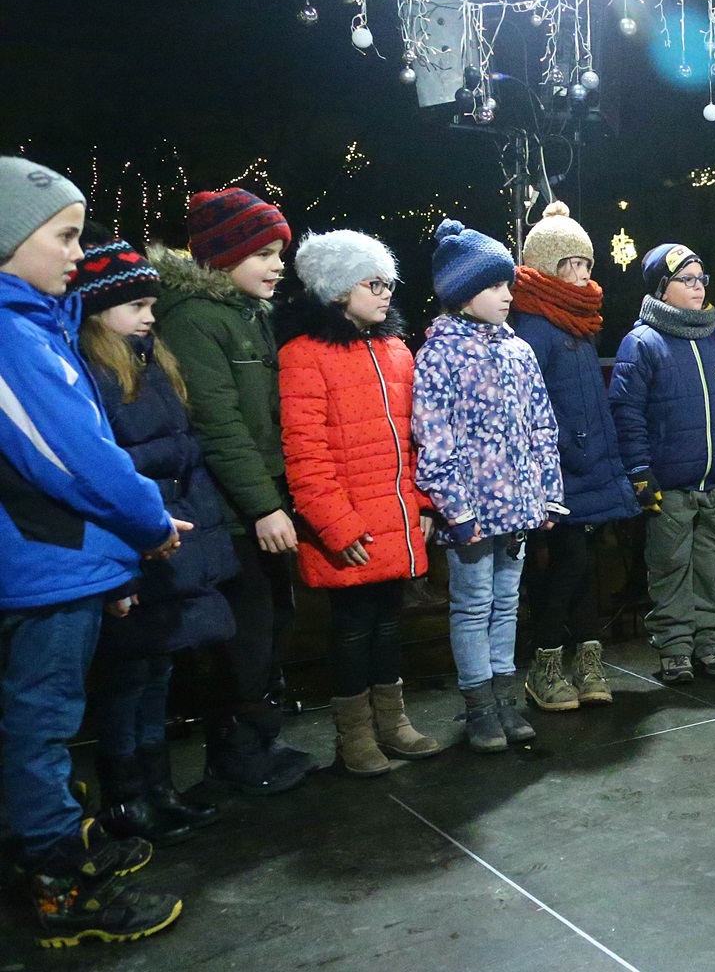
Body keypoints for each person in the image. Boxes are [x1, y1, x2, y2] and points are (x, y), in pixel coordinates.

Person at [0, 157, 186, 945]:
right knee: (37, 726)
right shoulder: (11, 333)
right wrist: (147, 524)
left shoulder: (34, 321)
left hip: (59, 557)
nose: (78, 254)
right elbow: (74, 455)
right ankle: (57, 892)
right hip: (43, 566)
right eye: (65, 236)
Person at [74, 240, 233, 845]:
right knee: (125, 677)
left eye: (151, 303)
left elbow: (182, 447)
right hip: (133, 544)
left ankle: (159, 786)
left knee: (157, 670)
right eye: (137, 304)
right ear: (98, 309)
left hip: (171, 537)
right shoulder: (93, 370)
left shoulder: (151, 363)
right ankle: (125, 797)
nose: (149, 316)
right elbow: (103, 468)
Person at [153, 187, 311, 795]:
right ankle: (235, 755)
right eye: (265, 252)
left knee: (272, 622)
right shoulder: (194, 320)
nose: (278, 265)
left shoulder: (248, 315)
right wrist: (265, 506)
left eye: (280, 252)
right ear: (225, 255)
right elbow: (218, 426)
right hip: (231, 511)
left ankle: (257, 741)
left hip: (260, 499)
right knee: (245, 632)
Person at [278, 230, 442, 776]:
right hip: (348, 527)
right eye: (372, 283)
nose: (385, 293)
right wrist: (337, 527)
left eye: (388, 282)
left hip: (395, 517)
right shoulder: (303, 356)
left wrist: (419, 502)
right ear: (336, 289)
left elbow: (414, 437)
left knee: (390, 625)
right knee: (351, 630)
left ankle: (392, 724)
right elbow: (305, 453)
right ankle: (355, 736)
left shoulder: (396, 351)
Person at [413, 220, 565, 752]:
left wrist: (547, 493)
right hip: (473, 513)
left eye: (507, 284)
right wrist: (458, 510)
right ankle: (478, 704)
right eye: (494, 286)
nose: (507, 294)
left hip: (519, 508)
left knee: (507, 603)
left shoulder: (518, 350)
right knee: (473, 604)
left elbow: (542, 426)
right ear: (461, 293)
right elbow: (435, 440)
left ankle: (504, 697)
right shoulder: (440, 354)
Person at [510, 203, 640, 711]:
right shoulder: (536, 327)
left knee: (588, 567)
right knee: (568, 564)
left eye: (585, 265)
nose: (582, 275)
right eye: (570, 265)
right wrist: (569, 447)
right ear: (545, 267)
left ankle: (587, 660)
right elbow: (534, 404)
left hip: (592, 468)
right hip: (561, 471)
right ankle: (546, 663)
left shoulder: (578, 323)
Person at [609, 242, 715, 681]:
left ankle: (710, 641)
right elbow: (627, 412)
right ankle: (674, 646)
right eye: (686, 280)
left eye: (701, 279)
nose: (697, 287)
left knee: (709, 565)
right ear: (662, 288)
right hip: (669, 485)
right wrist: (639, 471)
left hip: (714, 482)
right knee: (670, 567)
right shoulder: (642, 342)